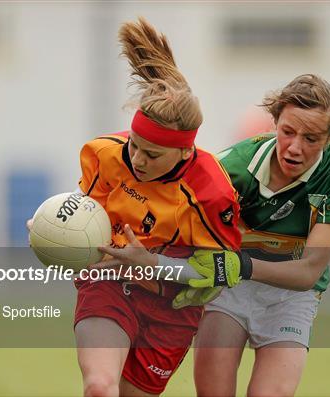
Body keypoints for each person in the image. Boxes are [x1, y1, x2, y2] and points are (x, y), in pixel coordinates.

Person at [130, 74, 330, 396]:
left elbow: (309, 271)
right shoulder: (232, 167)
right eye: (288, 132)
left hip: (289, 297)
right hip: (229, 288)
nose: (295, 147)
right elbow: (168, 209)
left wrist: (243, 264)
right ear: (274, 122)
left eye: (312, 138)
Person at [66, 18, 241, 397]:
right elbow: (85, 215)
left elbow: (223, 272)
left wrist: (153, 263)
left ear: (185, 151)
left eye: (153, 154)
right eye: (135, 145)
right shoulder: (105, 154)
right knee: (99, 385)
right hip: (109, 282)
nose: (138, 159)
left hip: (170, 309)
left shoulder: (211, 191)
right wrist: (53, 228)